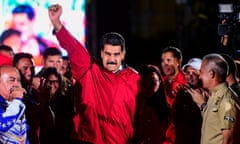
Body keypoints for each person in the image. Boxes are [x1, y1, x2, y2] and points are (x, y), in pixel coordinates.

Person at [48, 4, 141, 144]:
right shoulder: (89, 70)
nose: (112, 59)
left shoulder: (135, 79)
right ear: (101, 53)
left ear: (123, 54)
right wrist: (57, 24)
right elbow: (74, 48)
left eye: (116, 54)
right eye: (108, 54)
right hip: (88, 140)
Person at [188, 53, 240, 144]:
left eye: (201, 72)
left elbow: (229, 140)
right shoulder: (214, 96)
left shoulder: (227, 100)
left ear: (211, 74)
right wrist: (202, 105)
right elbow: (213, 124)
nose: (199, 76)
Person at [132, 64, 169, 144]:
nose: (149, 85)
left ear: (160, 82)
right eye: (145, 80)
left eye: (153, 81)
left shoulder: (166, 109)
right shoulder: (133, 105)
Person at [172, 58, 204, 144]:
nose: (190, 76)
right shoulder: (182, 94)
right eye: (187, 73)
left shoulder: (206, 95)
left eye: (194, 73)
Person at [38, 67, 72, 144]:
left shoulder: (64, 101)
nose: (52, 84)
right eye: (49, 81)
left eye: (56, 81)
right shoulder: (38, 99)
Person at [160, 46, 186, 144]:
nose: (165, 64)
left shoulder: (187, 82)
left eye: (169, 60)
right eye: (163, 60)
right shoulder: (160, 82)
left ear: (178, 61)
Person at [13, 52, 40, 144]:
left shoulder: (33, 91)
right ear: (15, 70)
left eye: (32, 68)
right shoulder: (10, 93)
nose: (30, 72)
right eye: (25, 68)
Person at [0, 65, 28, 143]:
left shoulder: (17, 103)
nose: (16, 84)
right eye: (12, 80)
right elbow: (3, 125)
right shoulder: (17, 103)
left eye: (18, 80)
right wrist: (17, 101)